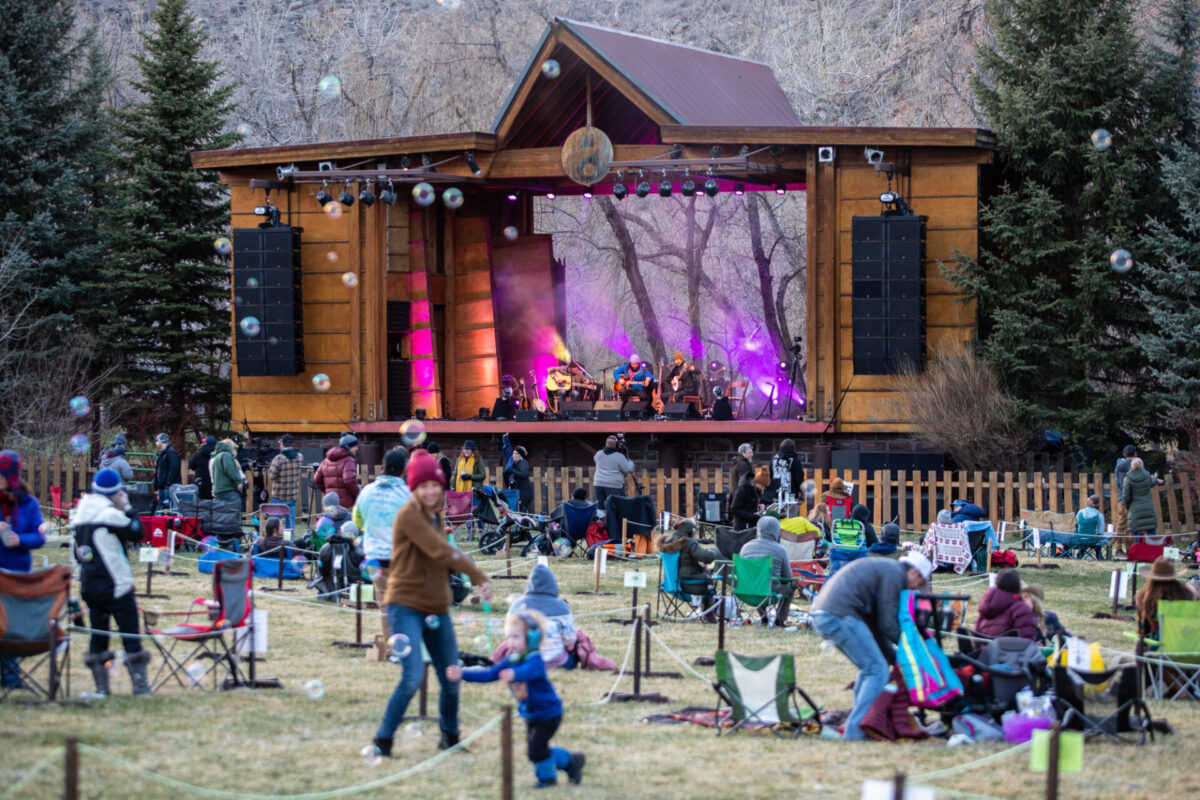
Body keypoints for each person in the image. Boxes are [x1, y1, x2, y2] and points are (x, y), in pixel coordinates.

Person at [371, 451, 493, 757]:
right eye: (422, 485)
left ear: (441, 486)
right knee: (412, 676)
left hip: (437, 608)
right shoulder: (409, 514)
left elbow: (442, 560)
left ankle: (450, 739)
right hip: (405, 604)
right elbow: (440, 551)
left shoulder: (435, 516)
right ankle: (382, 741)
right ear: (413, 488)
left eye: (434, 484)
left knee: (451, 675)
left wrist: (461, 576)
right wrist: (478, 576)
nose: (429, 490)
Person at [446, 610, 586, 788]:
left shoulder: (535, 660)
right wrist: (462, 674)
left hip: (549, 713)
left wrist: (515, 674)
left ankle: (547, 779)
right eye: (509, 637)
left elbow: (528, 672)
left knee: (536, 749)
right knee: (536, 750)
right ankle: (572, 762)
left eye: (516, 637)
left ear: (532, 638)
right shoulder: (511, 660)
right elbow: (489, 674)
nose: (510, 642)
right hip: (531, 714)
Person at [811, 552, 933, 740]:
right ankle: (856, 732)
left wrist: (896, 658)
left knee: (870, 668)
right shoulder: (895, 575)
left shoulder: (888, 570)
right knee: (876, 670)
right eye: (920, 583)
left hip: (828, 613)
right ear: (915, 572)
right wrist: (912, 648)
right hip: (840, 615)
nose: (916, 587)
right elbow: (887, 624)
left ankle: (857, 724)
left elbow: (877, 628)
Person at [72, 468, 151, 696]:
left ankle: (101, 688)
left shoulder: (80, 514)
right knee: (130, 633)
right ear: (116, 492)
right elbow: (137, 532)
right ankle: (140, 686)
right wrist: (127, 507)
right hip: (116, 583)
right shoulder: (108, 514)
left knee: (99, 636)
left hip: (90, 584)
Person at [489, 564, 618, 670]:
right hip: (559, 662)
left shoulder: (517, 604)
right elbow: (570, 639)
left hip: (520, 660)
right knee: (579, 636)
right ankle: (592, 660)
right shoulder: (562, 607)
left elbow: (509, 633)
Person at [352, 449, 411, 641]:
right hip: (400, 556)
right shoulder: (406, 494)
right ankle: (406, 642)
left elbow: (358, 521)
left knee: (386, 605)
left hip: (375, 557)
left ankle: (393, 647)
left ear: (383, 468)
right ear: (403, 470)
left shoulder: (367, 492)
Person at [0, 450, 45, 690]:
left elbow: (39, 537)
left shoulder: (28, 503)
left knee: (11, 626)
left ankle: (10, 677)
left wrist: (21, 540)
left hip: (17, 574)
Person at [654, 519, 720, 621]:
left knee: (705, 573)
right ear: (690, 531)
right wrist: (716, 550)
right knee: (711, 581)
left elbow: (683, 561)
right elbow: (707, 557)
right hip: (691, 585)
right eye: (694, 530)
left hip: (672, 585)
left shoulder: (668, 541)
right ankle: (709, 615)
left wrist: (697, 565)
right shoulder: (688, 542)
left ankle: (703, 613)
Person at [739, 516, 797, 627]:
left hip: (746, 591)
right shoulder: (780, 549)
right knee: (792, 585)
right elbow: (787, 577)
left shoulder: (745, 547)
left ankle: (764, 616)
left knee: (758, 582)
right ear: (776, 531)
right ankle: (780, 618)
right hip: (770, 593)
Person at [1135, 557, 1197, 639]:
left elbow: (1143, 631)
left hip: (1160, 645)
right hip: (1188, 641)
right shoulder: (1187, 595)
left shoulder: (1145, 598)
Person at [975, 569, 1038, 640]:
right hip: (1010, 650)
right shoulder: (1022, 608)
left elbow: (975, 636)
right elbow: (1026, 641)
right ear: (1017, 585)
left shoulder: (985, 606)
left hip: (983, 650)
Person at [266, 434, 305, 529]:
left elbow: (272, 476)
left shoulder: (278, 459)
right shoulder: (300, 457)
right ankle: (289, 541)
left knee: (275, 523)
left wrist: (271, 467)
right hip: (292, 495)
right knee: (290, 523)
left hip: (279, 495)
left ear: (282, 444)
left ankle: (275, 542)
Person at [1122, 457, 1164, 544]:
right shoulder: (1147, 475)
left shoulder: (1128, 478)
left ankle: (1138, 552)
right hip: (1148, 507)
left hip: (1135, 508)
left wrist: (1128, 506)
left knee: (1136, 532)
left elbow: (1126, 495)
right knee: (1151, 530)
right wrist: (1156, 481)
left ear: (1132, 466)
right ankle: (1153, 550)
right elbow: (1148, 484)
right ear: (1142, 465)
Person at [314, 434, 360, 509]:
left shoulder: (326, 460)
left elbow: (317, 479)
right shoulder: (348, 460)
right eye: (354, 446)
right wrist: (358, 496)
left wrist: (328, 492)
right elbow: (350, 481)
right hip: (345, 504)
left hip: (330, 504)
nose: (356, 448)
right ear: (348, 447)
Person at [592, 436, 633, 509]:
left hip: (598, 483)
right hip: (614, 485)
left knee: (599, 506)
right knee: (614, 507)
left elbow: (596, 460)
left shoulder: (598, 454)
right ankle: (613, 520)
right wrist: (631, 462)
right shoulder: (619, 456)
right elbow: (627, 469)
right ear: (616, 445)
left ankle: (600, 519)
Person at [502, 433, 534, 512]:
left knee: (521, 512)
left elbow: (524, 474)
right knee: (515, 511)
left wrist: (512, 470)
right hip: (516, 492)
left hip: (524, 493)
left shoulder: (523, 463)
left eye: (516, 453)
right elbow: (507, 451)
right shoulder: (512, 463)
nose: (514, 455)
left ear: (520, 455)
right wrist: (505, 439)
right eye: (514, 453)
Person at [209, 438, 245, 505]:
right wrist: (239, 481)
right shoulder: (226, 455)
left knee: (222, 513)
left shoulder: (217, 457)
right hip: (228, 491)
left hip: (219, 492)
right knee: (234, 512)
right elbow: (231, 470)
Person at [1114, 444, 1137, 542]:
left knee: (1121, 523)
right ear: (1135, 453)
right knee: (1130, 524)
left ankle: (1119, 548)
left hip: (1121, 498)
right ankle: (1128, 548)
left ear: (1124, 454)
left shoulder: (1118, 465)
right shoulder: (1135, 465)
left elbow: (1118, 482)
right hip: (1132, 499)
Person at [153, 433, 181, 510]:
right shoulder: (162, 453)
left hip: (168, 486)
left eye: (157, 440)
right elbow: (159, 469)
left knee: (167, 506)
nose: (156, 442)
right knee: (162, 505)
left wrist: (169, 482)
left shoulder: (170, 452)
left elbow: (174, 468)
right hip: (162, 485)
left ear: (162, 441)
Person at [189, 436, 217, 500]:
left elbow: (191, 466)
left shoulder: (197, 455)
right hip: (214, 485)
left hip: (200, 484)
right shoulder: (217, 455)